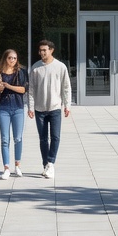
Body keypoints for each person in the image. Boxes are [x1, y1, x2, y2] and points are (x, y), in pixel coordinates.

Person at [26, 39, 72, 179]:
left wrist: (67, 105)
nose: (42, 53)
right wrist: (31, 107)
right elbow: (31, 89)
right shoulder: (35, 67)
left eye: (44, 50)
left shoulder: (60, 66)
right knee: (43, 139)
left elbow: (66, 87)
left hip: (55, 108)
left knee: (56, 137)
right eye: (40, 50)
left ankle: (50, 163)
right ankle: (46, 164)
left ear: (51, 50)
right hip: (39, 109)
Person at [0, 49, 29, 180]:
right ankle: (6, 168)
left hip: (18, 108)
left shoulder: (21, 72)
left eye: (14, 58)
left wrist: (8, 86)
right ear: (5, 59)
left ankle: (18, 165)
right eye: (10, 58)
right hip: (3, 108)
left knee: (18, 138)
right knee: (4, 139)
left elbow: (23, 89)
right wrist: (0, 88)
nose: (12, 60)